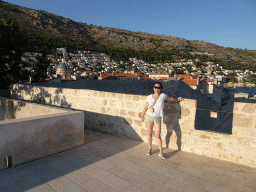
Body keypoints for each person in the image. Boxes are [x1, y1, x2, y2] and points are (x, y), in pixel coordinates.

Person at [141, 82, 183, 159]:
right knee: (149, 133)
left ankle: (161, 152)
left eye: (158, 87)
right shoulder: (149, 97)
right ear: (153, 88)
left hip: (157, 118)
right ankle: (150, 148)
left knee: (157, 135)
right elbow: (146, 106)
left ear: (161, 89)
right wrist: (143, 115)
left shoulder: (163, 96)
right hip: (149, 116)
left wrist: (178, 99)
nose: (157, 89)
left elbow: (170, 99)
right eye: (155, 87)